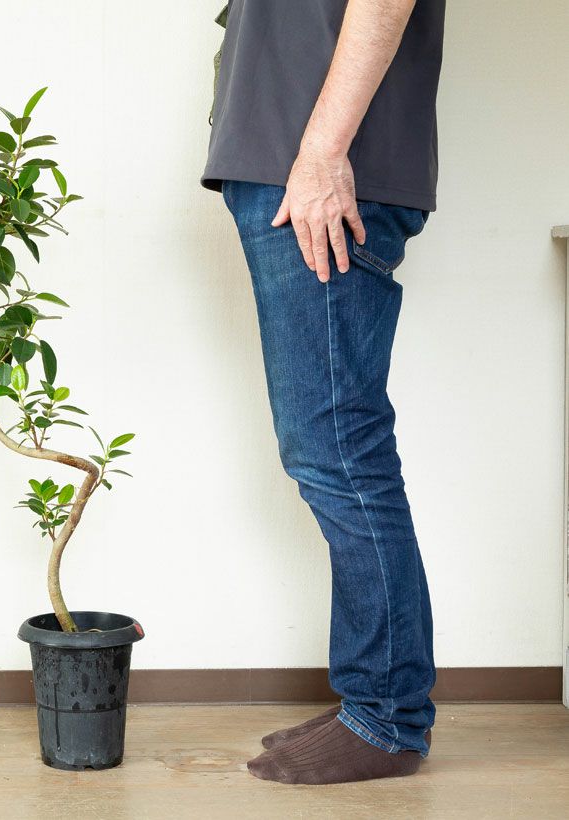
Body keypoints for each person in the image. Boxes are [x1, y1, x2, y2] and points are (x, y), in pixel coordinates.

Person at [202, 0, 446, 785]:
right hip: (289, 164)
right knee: (330, 450)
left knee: (340, 450)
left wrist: (321, 152)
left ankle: (385, 717)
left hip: (320, 171)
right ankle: (373, 704)